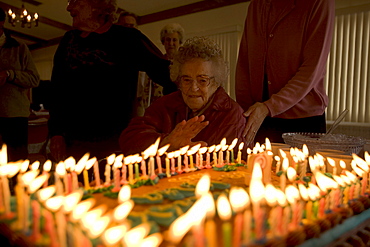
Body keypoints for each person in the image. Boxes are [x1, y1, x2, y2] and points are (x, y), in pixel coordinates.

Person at [48, 0, 177, 164]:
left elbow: (169, 76)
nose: (69, 7)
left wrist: (169, 118)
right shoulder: (68, 40)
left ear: (97, 5)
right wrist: (56, 133)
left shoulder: (128, 38)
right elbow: (57, 90)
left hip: (116, 141)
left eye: (76, 1)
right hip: (73, 142)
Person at [120, 36, 246, 155]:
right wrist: (166, 143)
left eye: (202, 80)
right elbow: (129, 139)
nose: (193, 87)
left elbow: (229, 165)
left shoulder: (232, 114)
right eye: (186, 80)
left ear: (216, 82)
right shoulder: (165, 104)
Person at [235, 0, 335, 146]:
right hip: (258, 115)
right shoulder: (256, 5)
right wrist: (244, 113)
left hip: (302, 119)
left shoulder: (319, 3)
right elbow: (244, 64)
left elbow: (311, 70)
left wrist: (269, 107)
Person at [0, 7, 40, 162]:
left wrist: (10, 74)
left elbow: (34, 80)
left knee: (18, 162)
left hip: (14, 115)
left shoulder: (19, 47)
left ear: (1, 23)